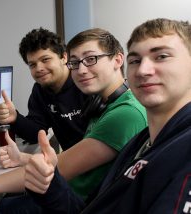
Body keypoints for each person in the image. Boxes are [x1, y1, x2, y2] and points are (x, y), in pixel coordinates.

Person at [0, 28, 147, 213]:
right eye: (76, 63)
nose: (82, 70)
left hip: (80, 200)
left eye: (91, 59)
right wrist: (22, 152)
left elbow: (64, 166)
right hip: (72, 184)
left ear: (118, 59)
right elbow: (58, 153)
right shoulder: (104, 103)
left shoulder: (123, 114)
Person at [24, 18, 191, 214]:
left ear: (116, 61)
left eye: (161, 56)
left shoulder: (184, 150)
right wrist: (50, 183)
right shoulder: (141, 143)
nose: (143, 70)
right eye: (135, 60)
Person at [0, 28, 89, 155]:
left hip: (96, 163)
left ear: (64, 57)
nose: (39, 68)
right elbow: (36, 134)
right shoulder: (40, 90)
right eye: (32, 65)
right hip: (72, 163)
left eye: (45, 60)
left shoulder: (85, 82)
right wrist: (15, 118)